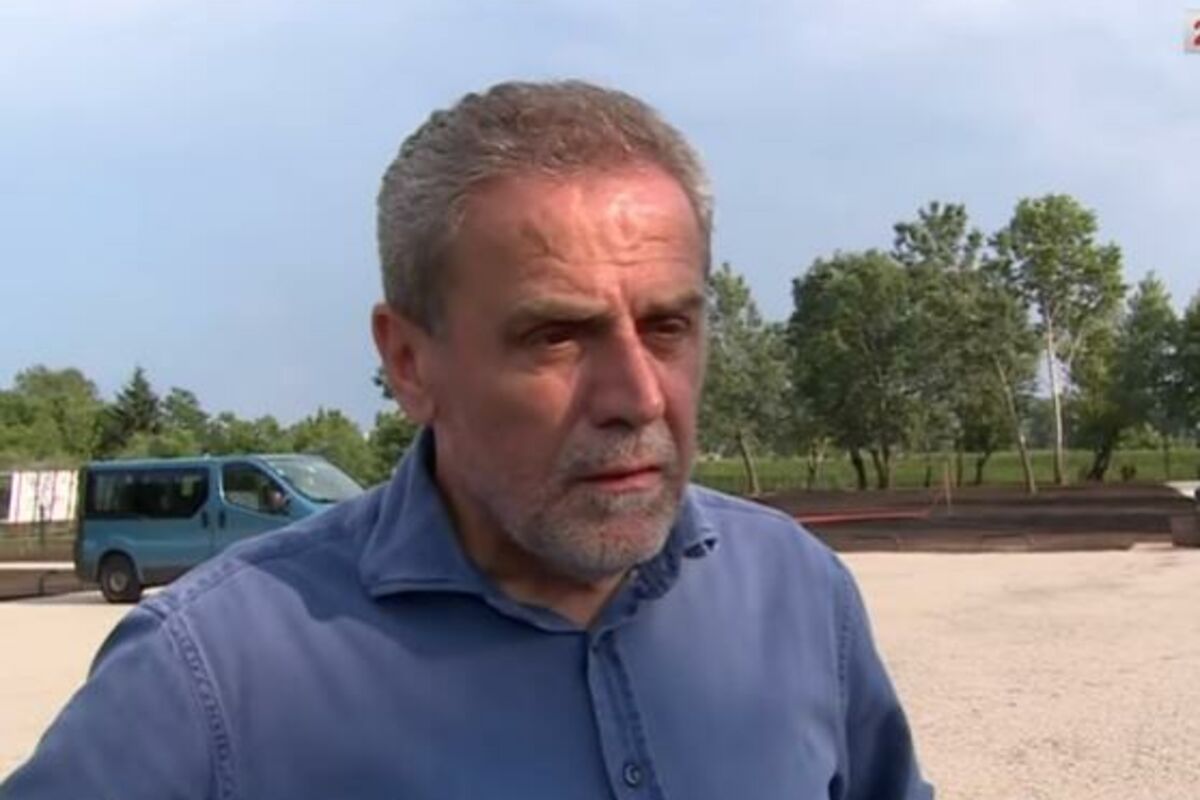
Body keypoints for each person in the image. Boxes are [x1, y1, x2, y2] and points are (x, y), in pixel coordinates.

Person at [3, 80, 933, 799]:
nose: (638, 395)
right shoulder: (212, 674)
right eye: (556, 336)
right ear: (410, 362)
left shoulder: (798, 595)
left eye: (668, 327)